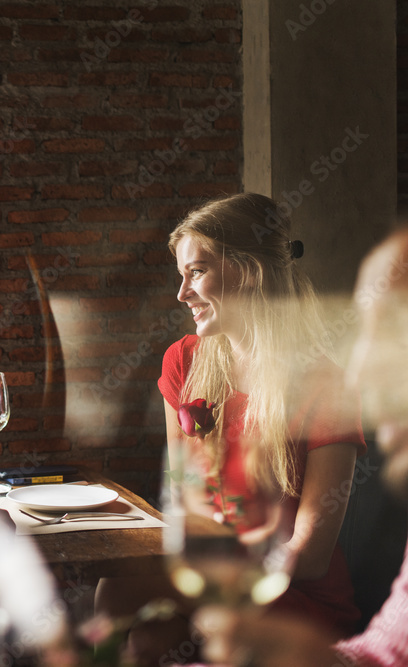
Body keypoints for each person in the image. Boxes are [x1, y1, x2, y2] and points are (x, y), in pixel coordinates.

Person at [97, 193, 365, 664]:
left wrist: (208, 567)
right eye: (181, 275)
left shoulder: (324, 383)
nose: (182, 293)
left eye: (196, 272)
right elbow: (182, 495)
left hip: (291, 599)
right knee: (136, 625)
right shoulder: (183, 360)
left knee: (125, 597)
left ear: (250, 270)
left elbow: (312, 555)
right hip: (213, 581)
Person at [194, 227, 408, 667]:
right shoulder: (194, 360)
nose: (360, 372)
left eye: (397, 331)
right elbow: (384, 654)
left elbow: (307, 554)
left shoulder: (316, 383)